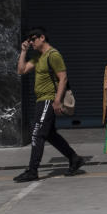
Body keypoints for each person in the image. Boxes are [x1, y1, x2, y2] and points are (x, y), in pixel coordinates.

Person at [14, 28, 85, 182]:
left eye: (33, 39)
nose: (31, 42)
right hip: (41, 100)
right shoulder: (39, 57)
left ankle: (32, 170)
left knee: (37, 134)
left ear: (42, 38)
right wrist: (24, 51)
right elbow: (21, 70)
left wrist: (57, 101)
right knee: (50, 135)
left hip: (49, 99)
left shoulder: (53, 55)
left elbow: (63, 78)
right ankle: (74, 158)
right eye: (29, 40)